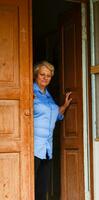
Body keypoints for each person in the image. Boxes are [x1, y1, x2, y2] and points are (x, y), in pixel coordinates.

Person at [33, 61, 72, 200]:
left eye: (48, 76)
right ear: (36, 76)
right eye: (42, 74)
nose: (45, 78)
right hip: (33, 147)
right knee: (29, 184)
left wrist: (65, 105)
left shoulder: (48, 95)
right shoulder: (30, 92)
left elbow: (55, 115)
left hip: (47, 147)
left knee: (42, 186)